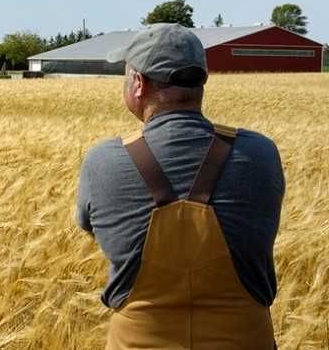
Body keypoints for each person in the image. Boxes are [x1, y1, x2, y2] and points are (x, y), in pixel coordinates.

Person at [76, 23, 284, 349]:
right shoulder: (261, 153)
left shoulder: (103, 162)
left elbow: (93, 229)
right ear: (201, 81)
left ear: (139, 84)